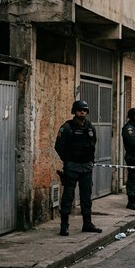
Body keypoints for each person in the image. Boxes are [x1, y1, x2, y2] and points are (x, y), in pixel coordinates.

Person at [54, 100, 102, 236]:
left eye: (85, 110)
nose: (82, 112)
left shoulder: (90, 127)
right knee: (68, 197)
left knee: (86, 197)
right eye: (80, 110)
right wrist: (67, 160)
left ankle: (87, 224)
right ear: (74, 111)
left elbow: (93, 144)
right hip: (72, 167)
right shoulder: (67, 127)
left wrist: (90, 161)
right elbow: (58, 146)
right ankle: (64, 226)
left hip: (86, 167)